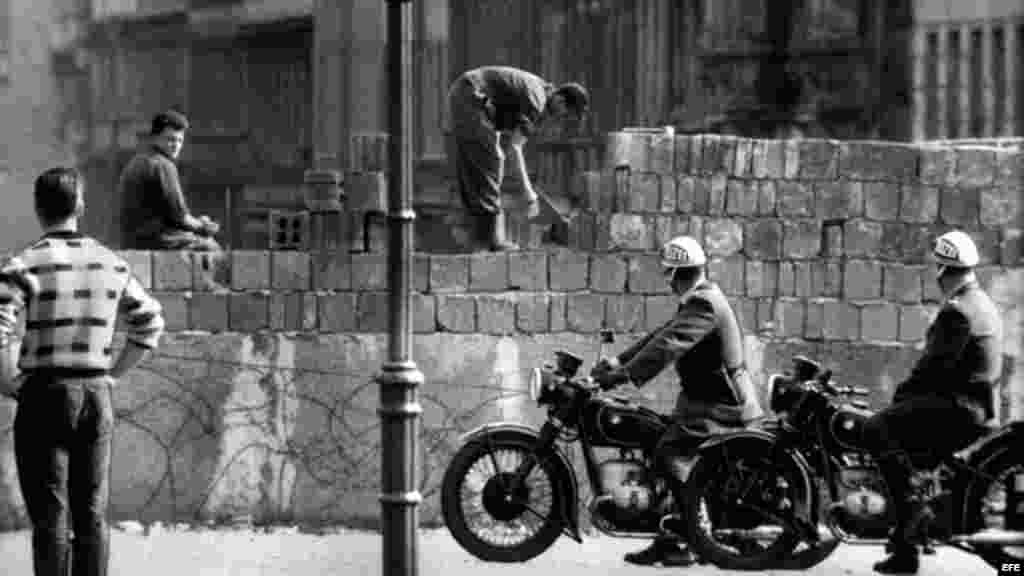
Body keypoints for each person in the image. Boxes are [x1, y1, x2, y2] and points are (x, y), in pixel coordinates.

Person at [0, 167, 166, 576]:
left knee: (51, 516)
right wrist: (113, 374)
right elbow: (150, 323)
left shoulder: (25, 264)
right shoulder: (111, 263)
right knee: (92, 513)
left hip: (42, 394)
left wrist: (5, 378)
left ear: (39, 209)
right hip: (95, 396)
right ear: (80, 206)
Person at [590, 235, 764, 567]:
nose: (668, 282)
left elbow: (668, 346)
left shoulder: (703, 303)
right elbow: (659, 336)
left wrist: (620, 377)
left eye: (668, 274)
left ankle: (687, 535)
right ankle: (670, 537)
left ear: (673, 274)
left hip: (723, 404)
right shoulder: (699, 299)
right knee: (657, 437)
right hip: (704, 400)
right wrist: (616, 363)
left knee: (668, 453)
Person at [864, 229, 1003, 575]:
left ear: (943, 270)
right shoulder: (982, 302)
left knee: (876, 428)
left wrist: (900, 397)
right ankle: (905, 550)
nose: (937, 276)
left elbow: (932, 369)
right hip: (975, 407)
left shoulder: (957, 311)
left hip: (958, 409)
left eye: (939, 268)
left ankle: (912, 513)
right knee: (905, 442)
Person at [446, 66, 589, 251]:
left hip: (469, 95)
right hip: (472, 96)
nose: (560, 120)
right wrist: (529, 195)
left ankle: (476, 238)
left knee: (478, 165)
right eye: (565, 115)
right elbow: (514, 148)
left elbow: (508, 144)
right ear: (560, 100)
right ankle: (492, 240)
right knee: (490, 162)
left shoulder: (538, 92)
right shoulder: (536, 100)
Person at [119, 110, 222, 251]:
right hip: (158, 241)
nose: (176, 146)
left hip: (131, 241)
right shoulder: (163, 164)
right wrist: (204, 226)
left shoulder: (137, 161)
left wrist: (197, 223)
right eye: (170, 139)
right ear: (155, 138)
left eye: (180, 140)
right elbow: (180, 217)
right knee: (212, 247)